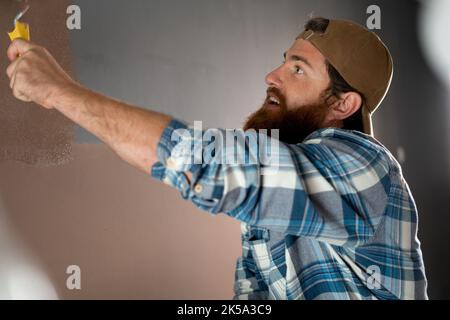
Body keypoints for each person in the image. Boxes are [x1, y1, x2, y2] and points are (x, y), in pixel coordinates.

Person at [5, 17, 428, 300]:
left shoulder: (365, 164)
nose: (272, 76)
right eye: (283, 62)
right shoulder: (282, 188)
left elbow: (210, 164)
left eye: (298, 69)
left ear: (343, 104)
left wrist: (58, 91)